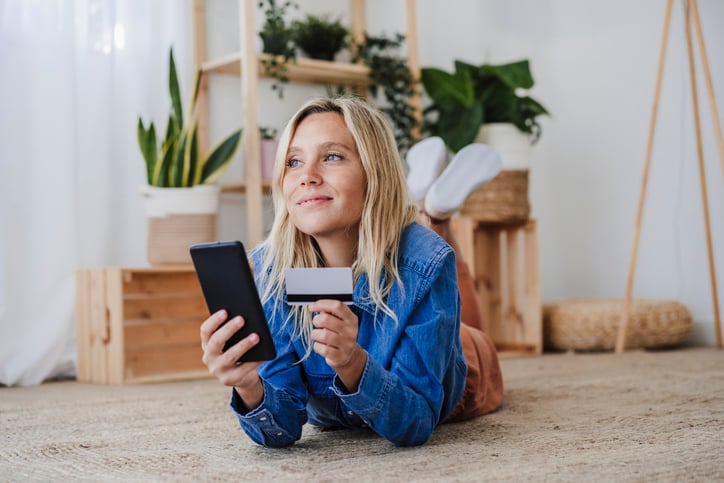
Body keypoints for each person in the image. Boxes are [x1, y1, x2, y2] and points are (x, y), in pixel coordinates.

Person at [200, 96, 503, 448]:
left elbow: (416, 421)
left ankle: (435, 217)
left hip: (464, 365)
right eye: (293, 162)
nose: (307, 177)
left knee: (471, 331)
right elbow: (281, 427)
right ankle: (430, 207)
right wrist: (249, 385)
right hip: (402, 278)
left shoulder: (426, 261)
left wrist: (353, 362)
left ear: (374, 173)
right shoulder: (272, 270)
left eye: (331, 157)